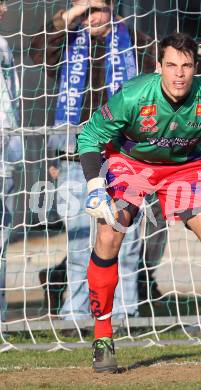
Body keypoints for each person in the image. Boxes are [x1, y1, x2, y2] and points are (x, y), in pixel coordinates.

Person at [78, 32, 201, 373]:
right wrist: (95, 185)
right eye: (171, 65)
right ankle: (103, 338)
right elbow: (90, 135)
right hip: (130, 163)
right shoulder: (134, 95)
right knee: (109, 233)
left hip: (184, 168)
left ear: (195, 68)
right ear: (158, 66)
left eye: (186, 66)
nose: (179, 74)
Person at [29, 0, 156, 324]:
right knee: (79, 240)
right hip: (74, 157)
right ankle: (75, 313)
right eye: (85, 10)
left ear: (113, 9)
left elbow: (162, 71)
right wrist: (74, 12)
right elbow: (37, 50)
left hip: (125, 156)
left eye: (98, 9)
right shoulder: (68, 41)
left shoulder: (133, 41)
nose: (92, 17)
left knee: (125, 241)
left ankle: (126, 314)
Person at [0, 0, 21, 322]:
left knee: (2, 239)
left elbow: (11, 102)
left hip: (4, 155)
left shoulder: (4, 44)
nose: (4, 9)